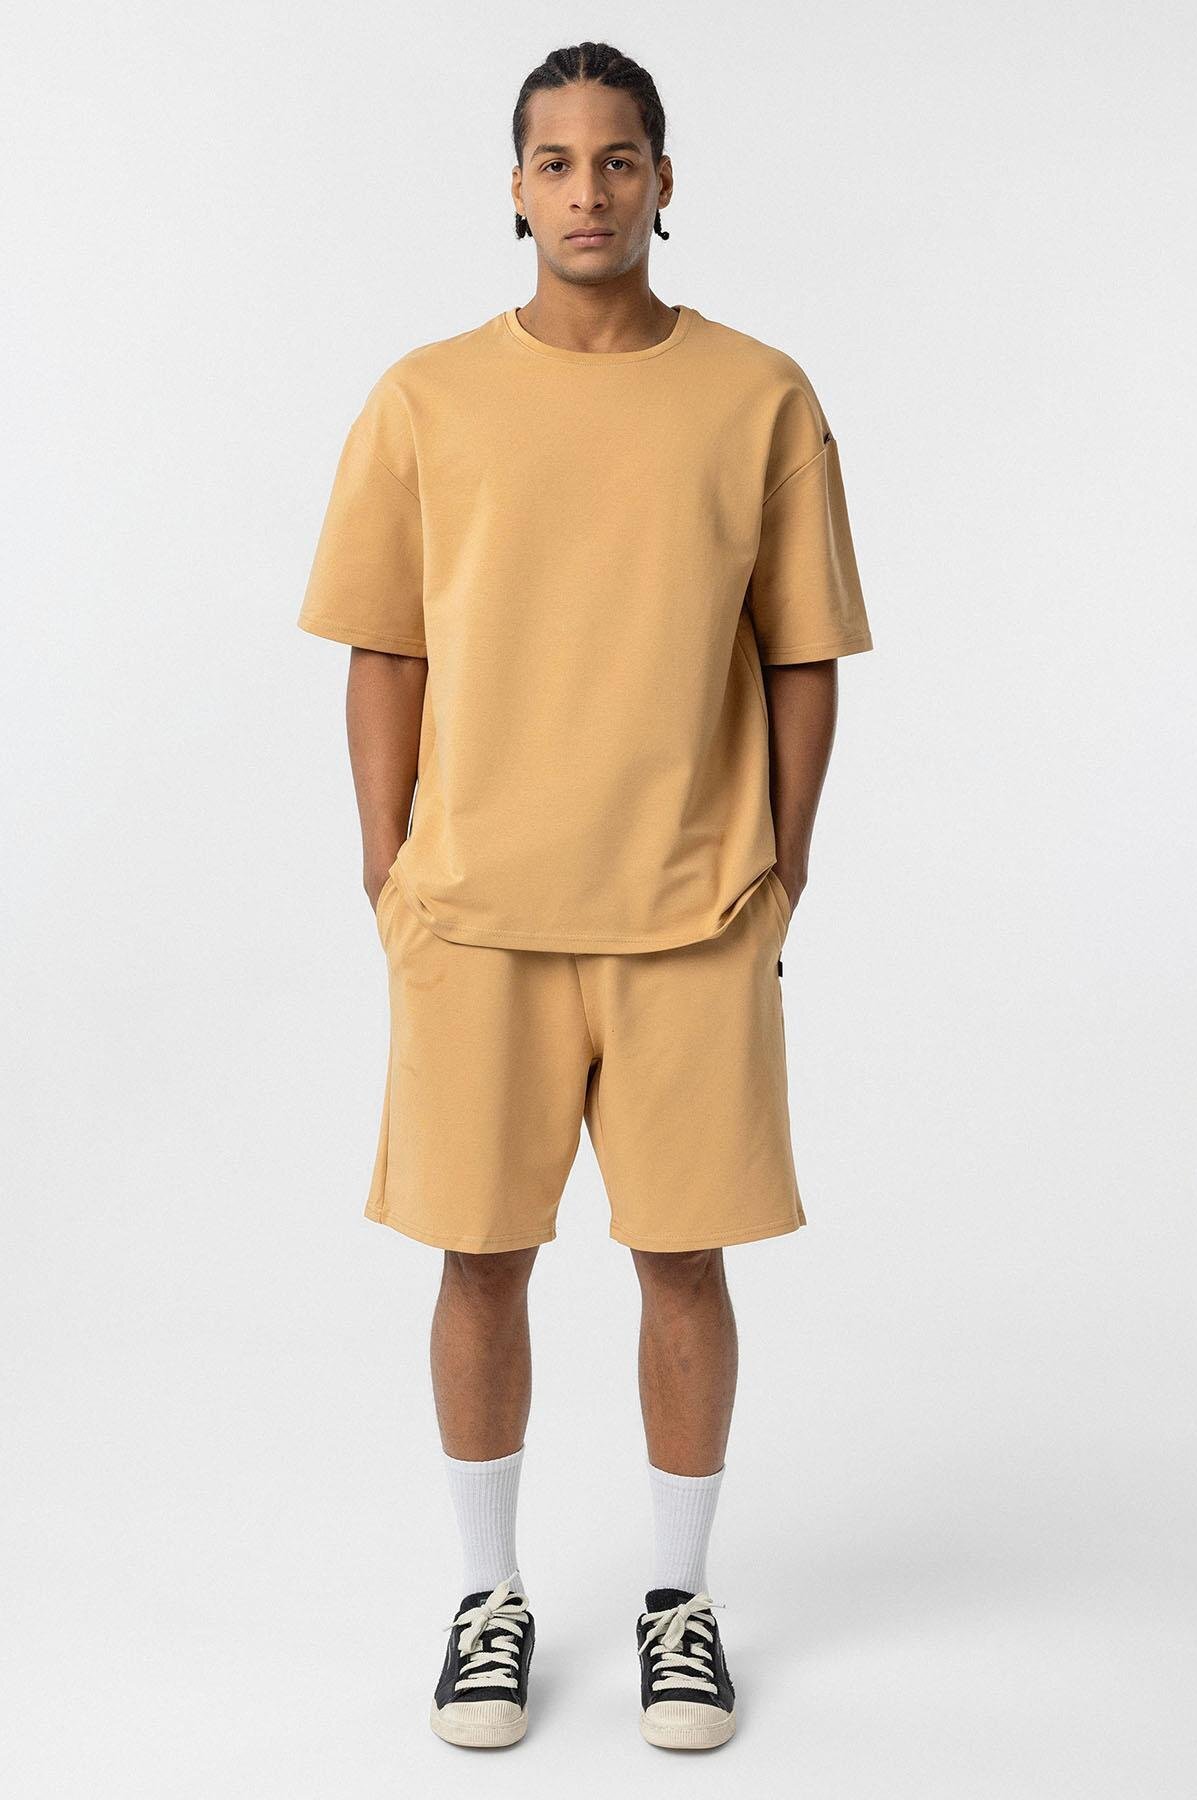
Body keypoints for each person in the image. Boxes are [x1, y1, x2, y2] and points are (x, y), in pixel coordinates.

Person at [297, 39, 874, 1752]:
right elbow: (383, 642)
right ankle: (488, 1597)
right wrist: (388, 867)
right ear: (515, 188)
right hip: (477, 917)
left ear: (665, 182)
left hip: (693, 911)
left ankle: (679, 1605)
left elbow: (803, 652)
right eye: (555, 162)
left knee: (682, 1259)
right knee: (479, 1260)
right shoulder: (426, 399)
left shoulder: (758, 395)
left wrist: (781, 870)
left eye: (619, 160)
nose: (588, 191)